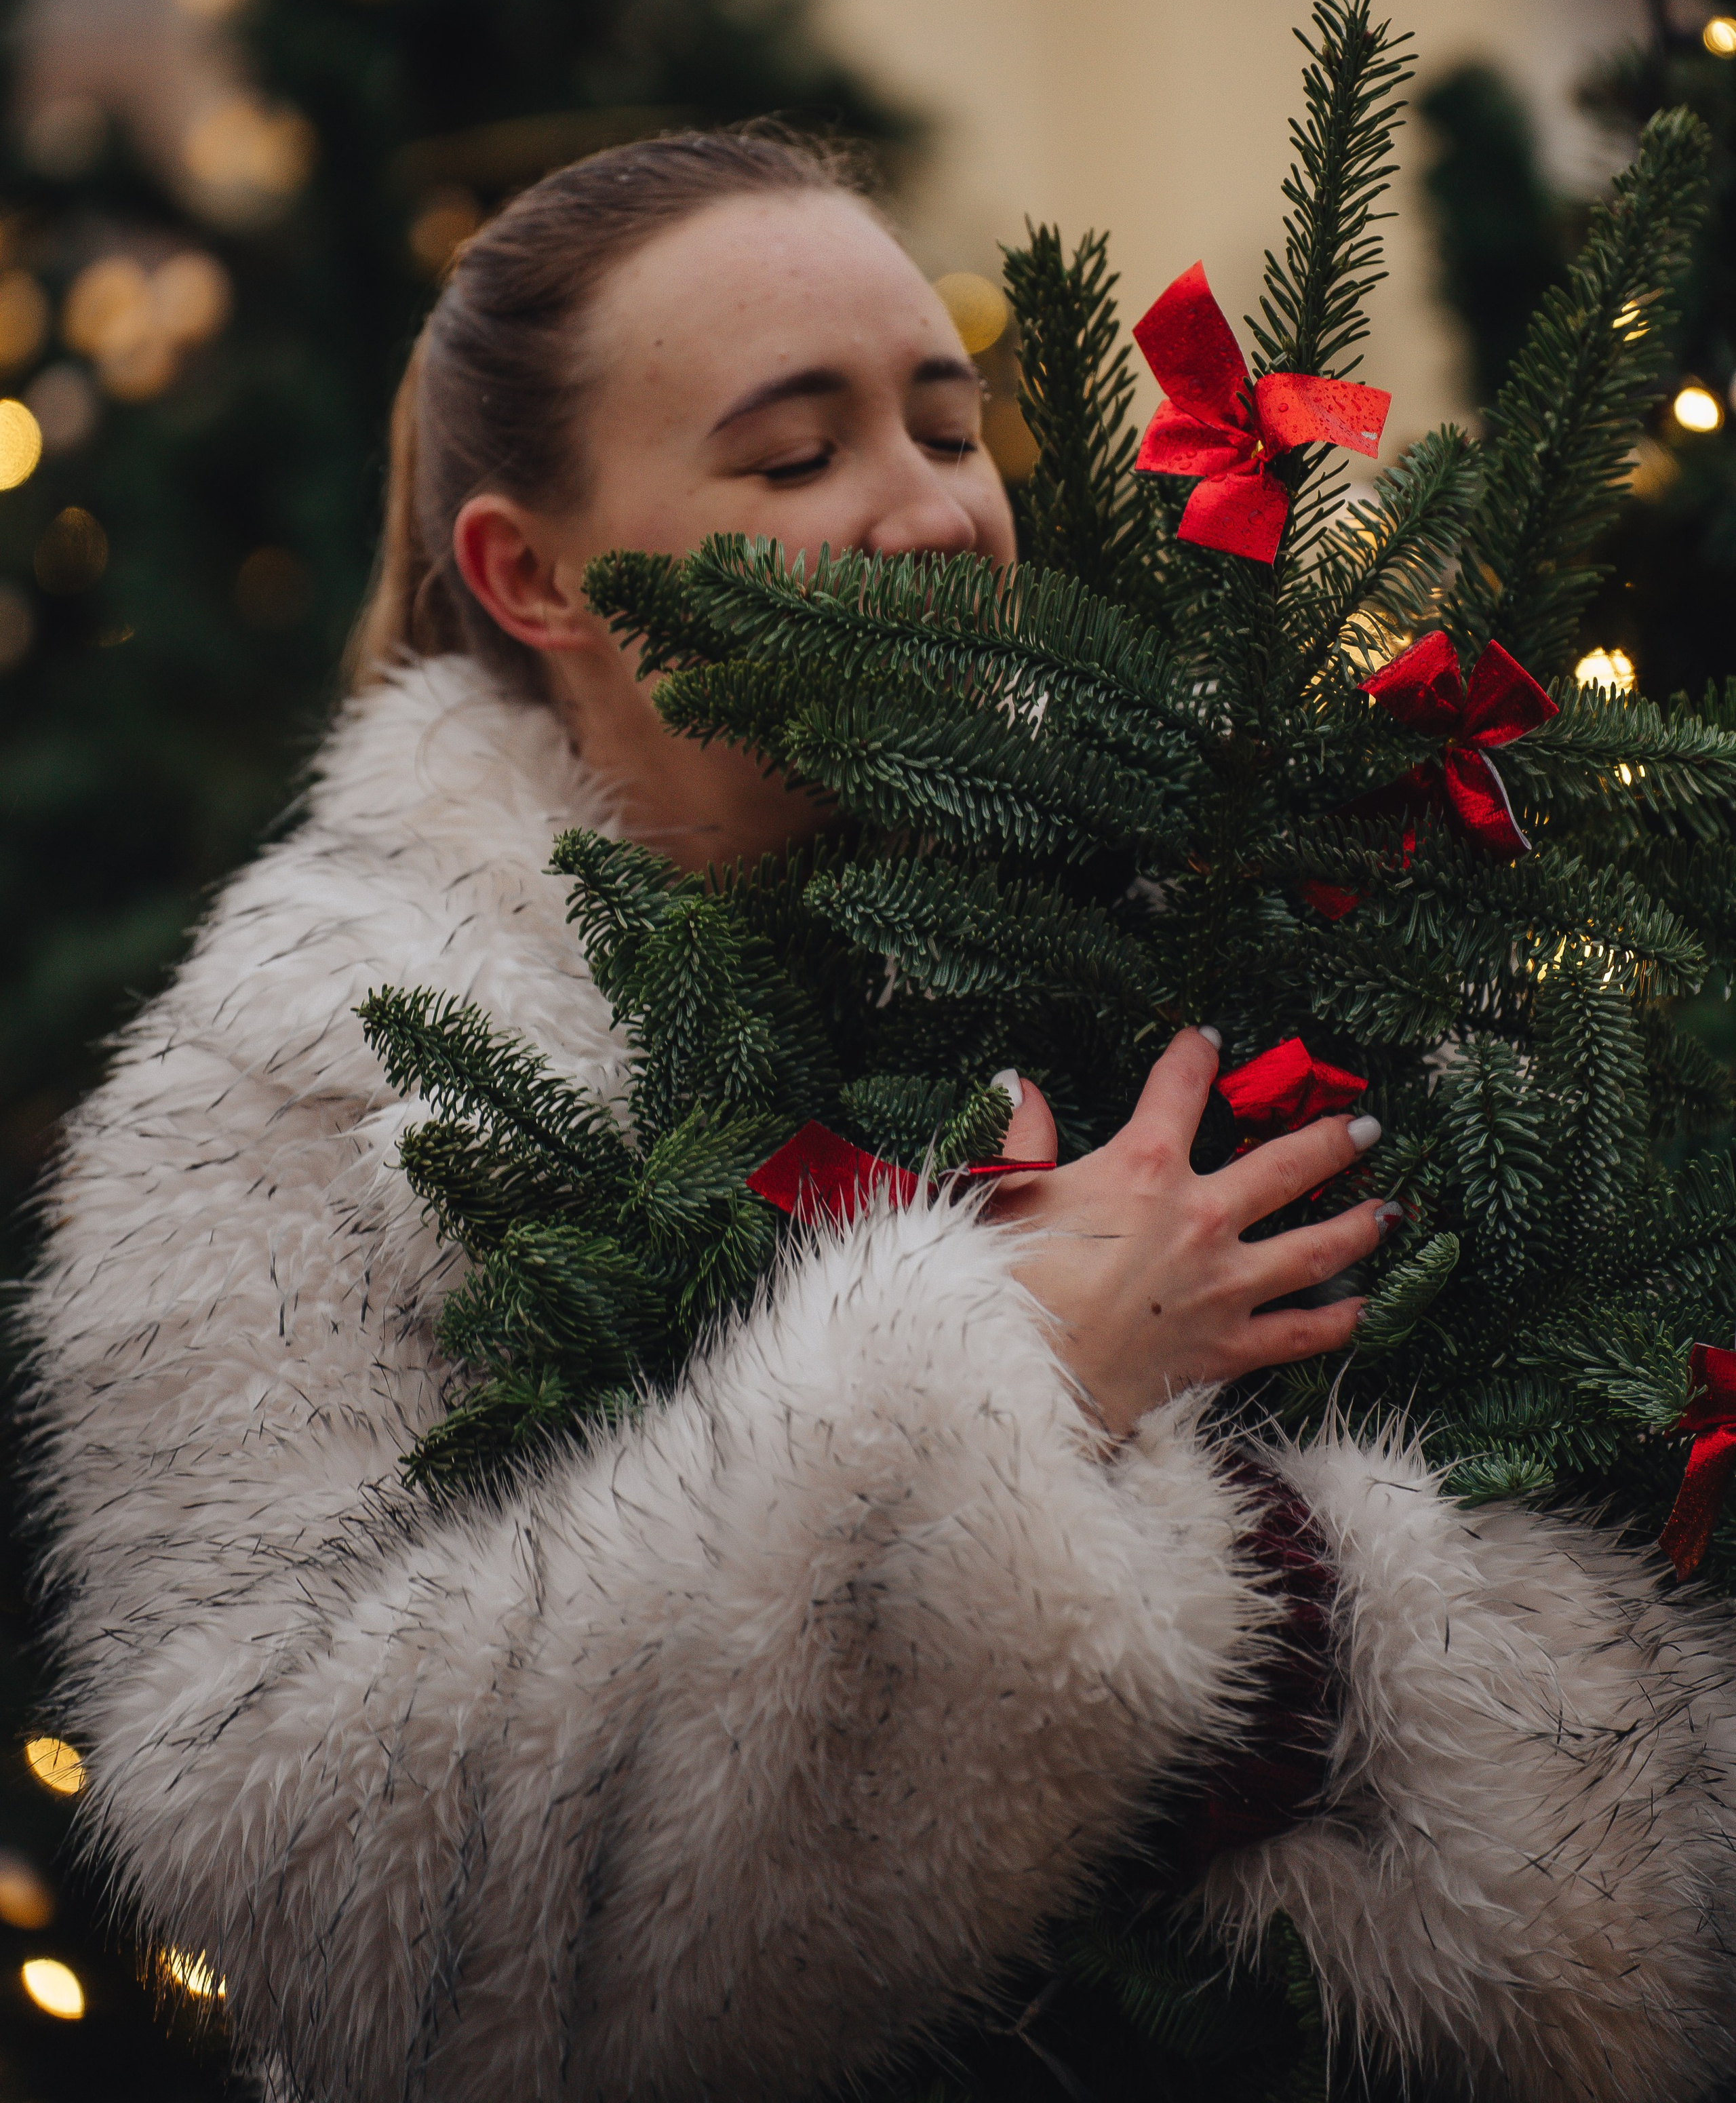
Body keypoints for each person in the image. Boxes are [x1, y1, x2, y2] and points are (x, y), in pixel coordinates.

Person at [24, 130, 1736, 2103]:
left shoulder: (1240, 910)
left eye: (948, 426)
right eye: (793, 455)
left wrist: (1337, 1635)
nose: (931, 513)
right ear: (531, 574)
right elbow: (325, 1900)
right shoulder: (296, 1080)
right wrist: (997, 1376)